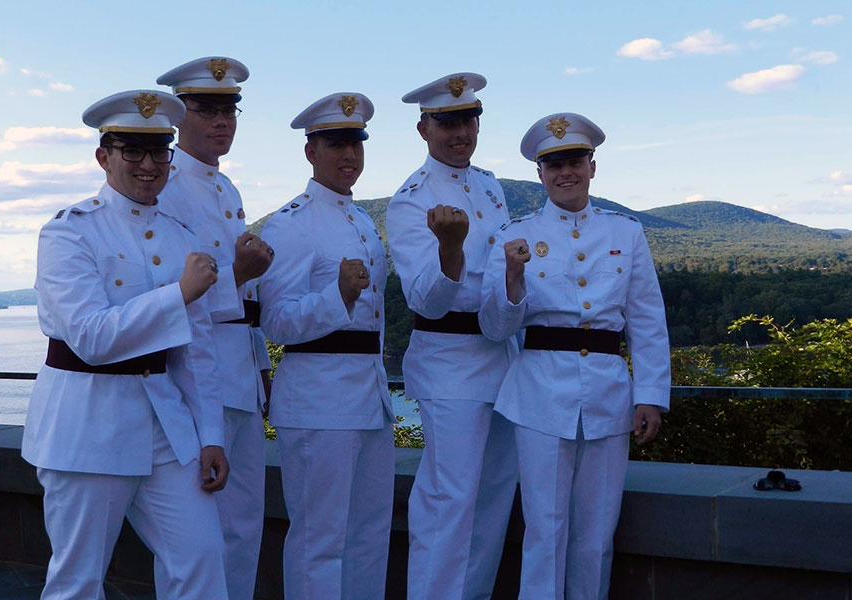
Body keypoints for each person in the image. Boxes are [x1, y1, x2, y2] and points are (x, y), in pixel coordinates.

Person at [22, 90, 229, 599]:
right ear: (103, 156)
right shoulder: (69, 233)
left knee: (201, 559)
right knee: (78, 579)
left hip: (166, 430)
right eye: (131, 150)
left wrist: (211, 434)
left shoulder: (181, 236)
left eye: (160, 151)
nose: (148, 164)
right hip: (86, 428)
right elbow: (91, 337)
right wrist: (177, 293)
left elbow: (196, 353)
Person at [480, 112, 670, 599]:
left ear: (592, 165)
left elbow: (646, 320)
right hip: (540, 392)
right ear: (539, 173)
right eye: (554, 164)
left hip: (609, 393)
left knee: (597, 536)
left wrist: (650, 395)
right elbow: (495, 327)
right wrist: (513, 279)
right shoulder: (513, 236)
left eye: (575, 161)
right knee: (544, 530)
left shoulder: (625, 233)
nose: (566, 172)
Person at [386, 72, 518, 599]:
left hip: (503, 359)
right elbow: (425, 301)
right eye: (447, 122)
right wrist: (450, 250)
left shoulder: (489, 185)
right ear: (424, 128)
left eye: (468, 119)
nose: (460, 132)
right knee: (450, 502)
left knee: (491, 502)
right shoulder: (410, 200)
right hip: (451, 363)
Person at [258, 92, 395, 599]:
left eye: (356, 144)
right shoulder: (290, 224)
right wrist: (336, 298)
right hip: (317, 399)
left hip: (367, 397)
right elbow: (275, 321)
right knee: (319, 540)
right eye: (335, 144)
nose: (349, 156)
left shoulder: (360, 222)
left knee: (368, 535)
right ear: (310, 150)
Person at [156, 56, 275, 600]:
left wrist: (262, 363)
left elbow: (244, 295)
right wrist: (238, 275)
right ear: (180, 115)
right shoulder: (167, 184)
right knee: (198, 533)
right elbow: (170, 291)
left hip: (240, 367)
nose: (221, 120)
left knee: (245, 521)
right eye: (206, 109)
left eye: (229, 109)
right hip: (197, 372)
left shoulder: (224, 189)